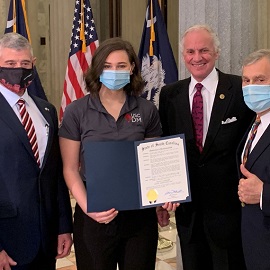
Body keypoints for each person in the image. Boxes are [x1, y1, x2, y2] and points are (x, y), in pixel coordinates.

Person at [59, 37, 178, 270]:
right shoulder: (77, 111)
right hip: (92, 213)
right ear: (97, 69)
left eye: (121, 66)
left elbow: (153, 165)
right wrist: (88, 207)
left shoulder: (146, 110)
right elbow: (70, 169)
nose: (115, 71)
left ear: (132, 67)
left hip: (138, 218)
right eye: (107, 66)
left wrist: (163, 198)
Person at [159, 24, 255, 270]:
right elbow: (166, 148)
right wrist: (163, 194)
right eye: (190, 51)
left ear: (216, 52)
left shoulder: (240, 90)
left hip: (230, 212)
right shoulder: (170, 95)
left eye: (204, 50)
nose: (197, 57)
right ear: (183, 56)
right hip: (188, 213)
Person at [0, 32, 73, 270]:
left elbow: (55, 176)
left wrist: (64, 226)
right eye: (10, 64)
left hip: (46, 237)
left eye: (24, 64)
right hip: (7, 241)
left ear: (33, 65)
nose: (18, 69)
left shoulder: (46, 110)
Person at [237, 49, 270, 270]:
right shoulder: (256, 122)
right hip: (255, 244)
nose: (251, 87)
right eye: (246, 80)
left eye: (260, 80)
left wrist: (263, 194)